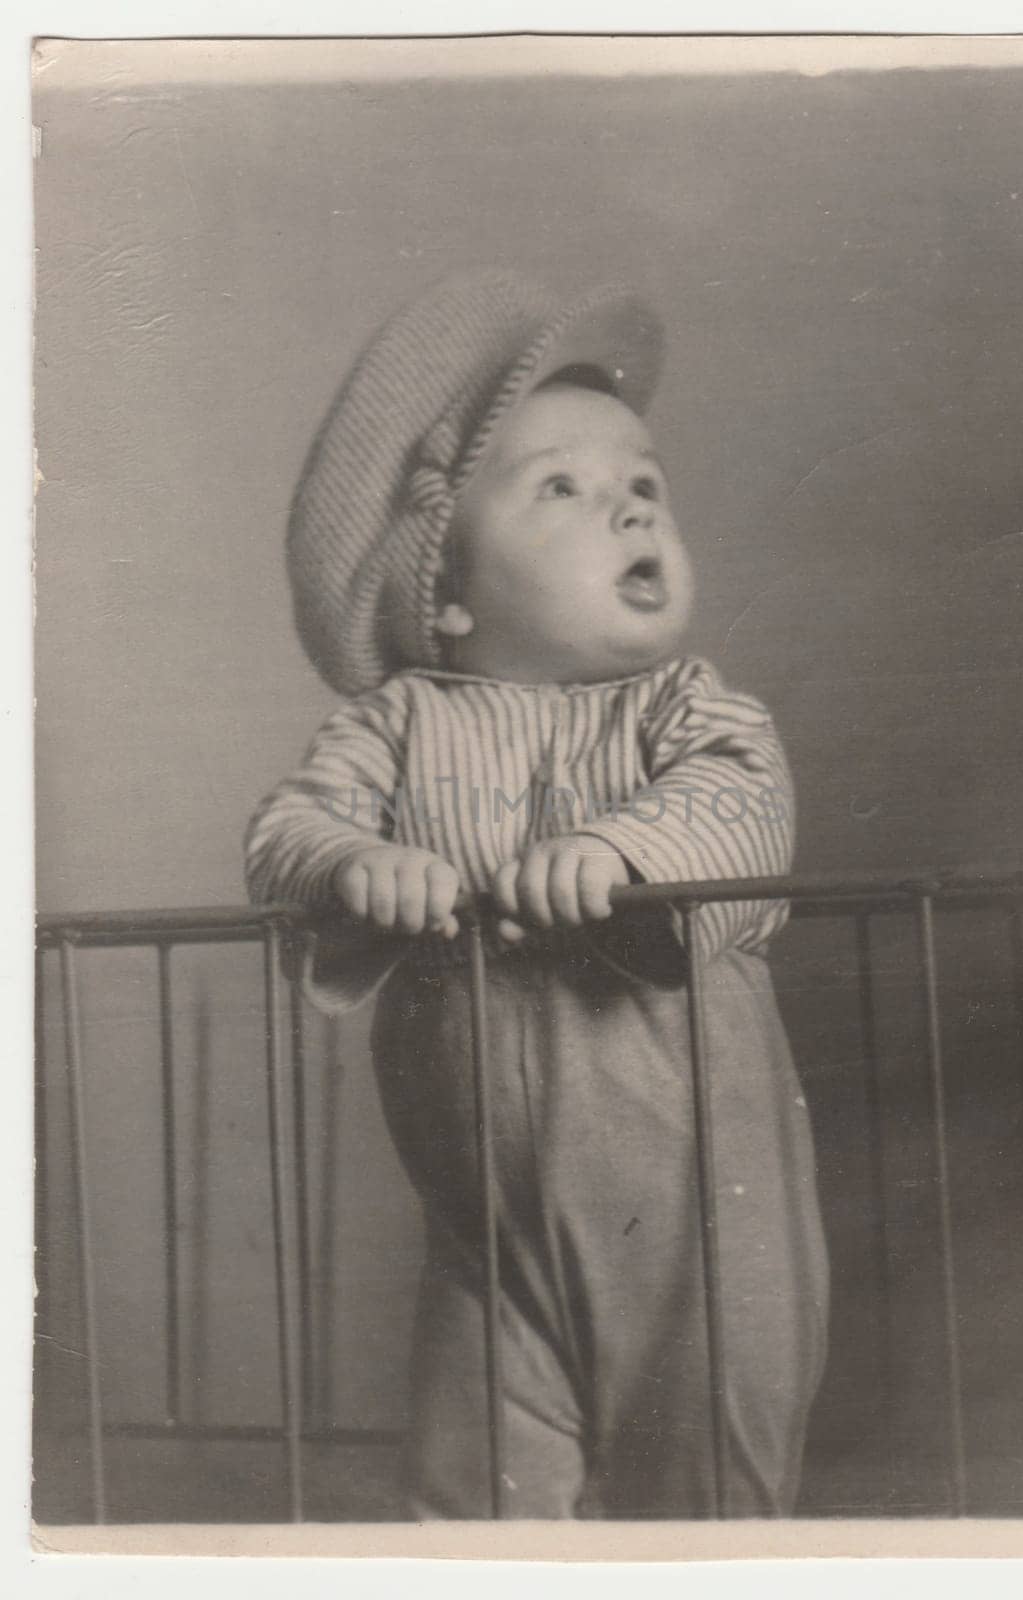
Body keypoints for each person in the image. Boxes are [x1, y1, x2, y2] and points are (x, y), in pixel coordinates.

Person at [244, 269, 829, 1519]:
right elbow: (289, 829)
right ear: (442, 592)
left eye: (643, 487)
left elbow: (740, 804)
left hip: (697, 1223)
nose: (626, 508)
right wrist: (355, 862)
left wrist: (627, 853)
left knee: (709, 1464)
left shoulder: (689, 710)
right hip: (489, 1221)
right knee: (477, 1490)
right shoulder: (397, 723)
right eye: (561, 486)